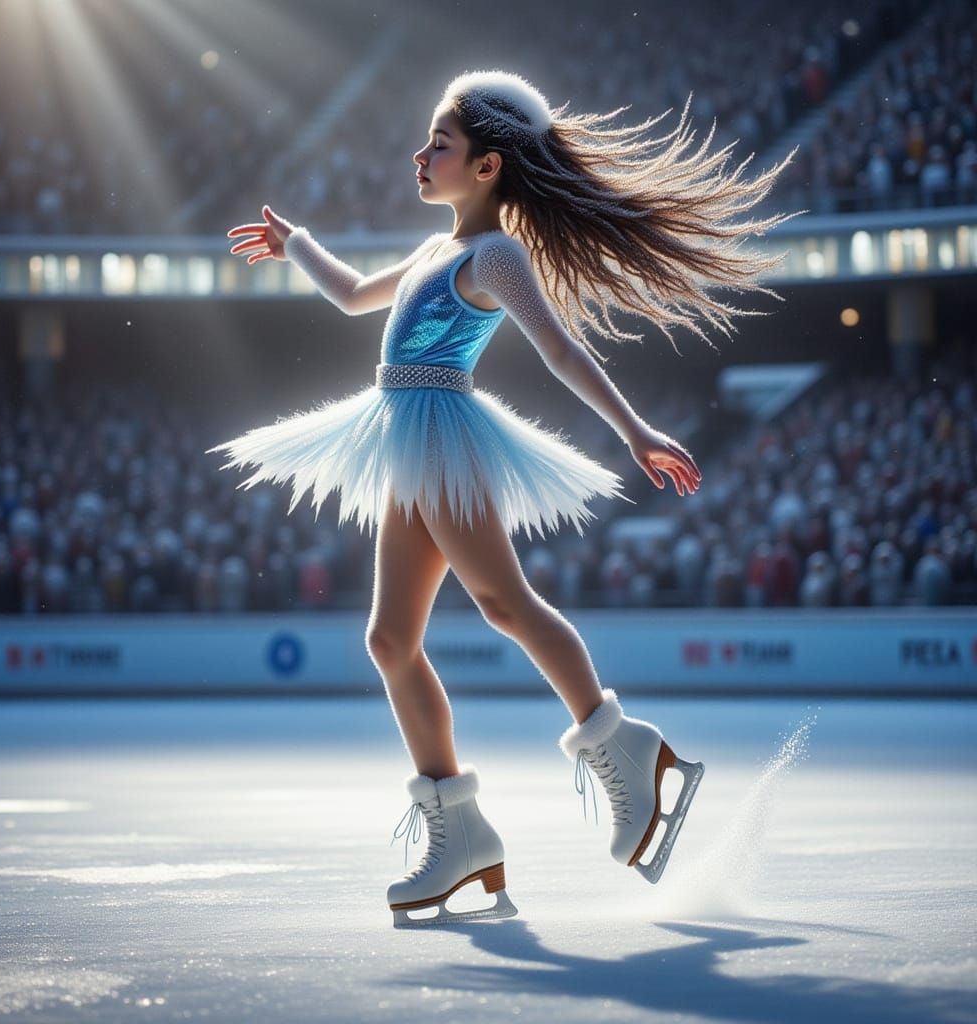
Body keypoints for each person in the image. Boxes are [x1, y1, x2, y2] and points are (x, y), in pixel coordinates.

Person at [210, 69, 797, 927]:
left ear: (487, 167)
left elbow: (559, 350)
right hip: (405, 434)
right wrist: (294, 242)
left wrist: (634, 430)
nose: (420, 155)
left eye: (439, 144)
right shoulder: (434, 251)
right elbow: (353, 297)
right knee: (389, 640)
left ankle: (626, 754)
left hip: (444, 434)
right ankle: (460, 832)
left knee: (503, 601)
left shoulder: (496, 255)